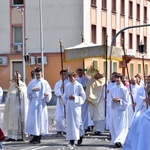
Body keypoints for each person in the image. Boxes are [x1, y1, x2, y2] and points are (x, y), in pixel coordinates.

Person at [25, 67, 52, 144]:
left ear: (42, 73)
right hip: (34, 103)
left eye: (39, 74)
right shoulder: (32, 83)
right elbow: (28, 94)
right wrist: (32, 90)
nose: (37, 76)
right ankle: (34, 136)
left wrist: (47, 95)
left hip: (41, 103)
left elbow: (49, 91)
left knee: (40, 120)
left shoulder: (45, 82)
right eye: (36, 74)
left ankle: (38, 137)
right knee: (34, 120)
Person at [62, 72, 86, 148]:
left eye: (71, 77)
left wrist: (75, 97)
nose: (70, 79)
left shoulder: (79, 85)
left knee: (77, 122)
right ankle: (71, 140)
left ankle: (80, 135)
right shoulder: (68, 85)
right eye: (69, 78)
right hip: (69, 106)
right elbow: (65, 95)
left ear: (74, 77)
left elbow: (83, 96)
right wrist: (63, 98)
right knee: (70, 123)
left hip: (76, 106)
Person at [2, 72, 28, 141]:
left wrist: (21, 91)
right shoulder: (12, 85)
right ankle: (11, 136)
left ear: (20, 78)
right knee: (12, 121)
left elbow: (26, 95)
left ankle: (20, 136)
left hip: (20, 107)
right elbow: (8, 95)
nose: (16, 78)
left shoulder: (23, 85)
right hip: (12, 107)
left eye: (17, 77)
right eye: (15, 77)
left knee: (19, 121)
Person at [109, 73, 130, 148]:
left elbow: (127, 101)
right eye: (116, 78)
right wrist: (112, 100)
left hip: (121, 110)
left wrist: (120, 101)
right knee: (115, 125)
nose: (117, 79)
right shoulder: (112, 89)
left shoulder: (124, 89)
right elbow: (109, 99)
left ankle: (120, 140)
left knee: (121, 125)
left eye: (118, 78)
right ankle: (115, 140)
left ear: (121, 79)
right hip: (115, 109)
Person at [85, 66, 106, 135]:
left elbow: (102, 86)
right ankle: (96, 128)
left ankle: (99, 129)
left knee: (100, 113)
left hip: (101, 99)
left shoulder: (104, 80)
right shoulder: (91, 81)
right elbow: (89, 88)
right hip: (93, 100)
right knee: (95, 114)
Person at [76, 68, 93, 132]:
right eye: (78, 72)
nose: (79, 74)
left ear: (82, 72)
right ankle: (79, 126)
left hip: (84, 97)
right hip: (78, 98)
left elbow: (88, 87)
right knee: (79, 113)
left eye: (80, 72)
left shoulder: (86, 79)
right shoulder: (76, 80)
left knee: (85, 113)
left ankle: (85, 126)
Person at [54, 70, 69, 136]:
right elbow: (56, 90)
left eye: (65, 74)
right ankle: (59, 129)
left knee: (67, 116)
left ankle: (66, 130)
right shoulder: (58, 83)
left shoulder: (68, 83)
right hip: (60, 101)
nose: (64, 76)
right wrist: (60, 91)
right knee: (59, 116)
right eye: (63, 74)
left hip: (67, 101)